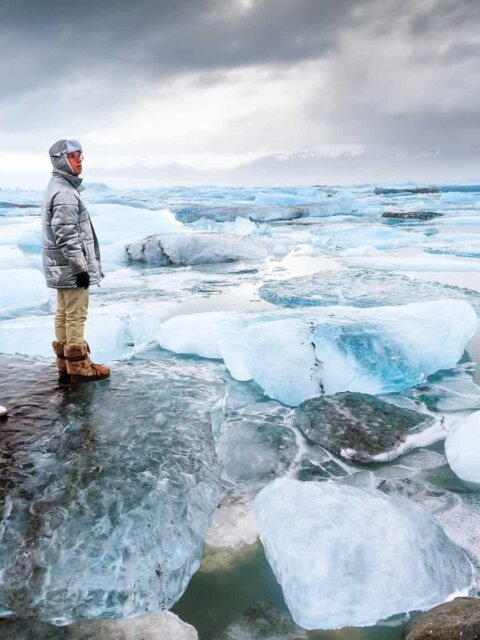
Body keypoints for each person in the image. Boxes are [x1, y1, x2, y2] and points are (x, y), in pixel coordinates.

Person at [41, 139, 110, 384]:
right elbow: (67, 235)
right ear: (61, 160)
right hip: (70, 267)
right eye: (73, 156)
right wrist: (81, 268)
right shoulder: (65, 193)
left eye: (81, 155)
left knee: (63, 313)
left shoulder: (57, 187)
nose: (80, 160)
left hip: (61, 267)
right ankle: (79, 366)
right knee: (76, 315)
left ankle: (64, 363)